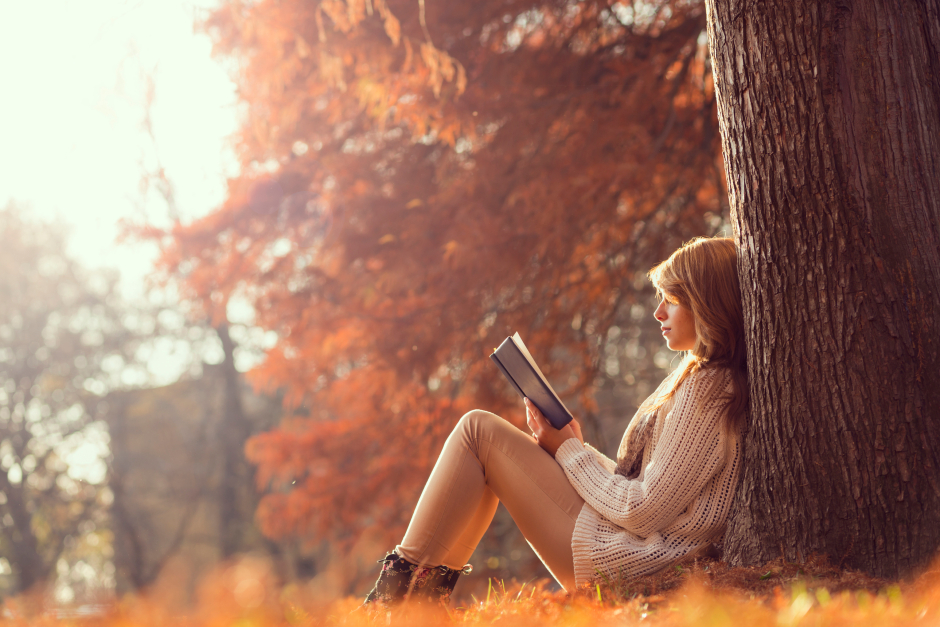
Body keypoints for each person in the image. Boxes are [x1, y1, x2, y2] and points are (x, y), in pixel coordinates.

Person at [362, 236, 749, 607]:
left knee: (477, 432)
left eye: (672, 300)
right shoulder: (701, 377)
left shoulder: (708, 389)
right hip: (631, 548)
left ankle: (392, 603)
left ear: (706, 305)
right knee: (481, 439)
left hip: (631, 563)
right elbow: (648, 491)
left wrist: (570, 452)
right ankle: (413, 602)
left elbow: (642, 510)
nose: (658, 312)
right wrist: (575, 447)